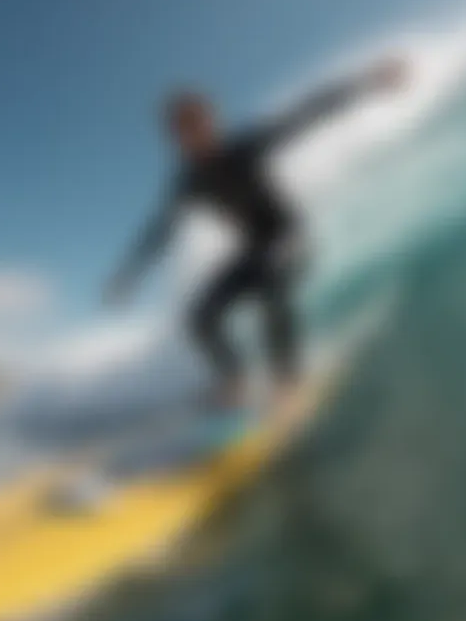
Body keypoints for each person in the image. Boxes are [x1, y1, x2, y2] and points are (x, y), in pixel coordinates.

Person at [104, 57, 407, 408]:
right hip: (251, 252)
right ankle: (234, 380)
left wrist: (367, 82)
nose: (193, 134)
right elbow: (159, 231)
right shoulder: (189, 182)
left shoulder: (244, 148)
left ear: (212, 121)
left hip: (288, 239)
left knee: (271, 287)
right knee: (199, 318)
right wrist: (128, 275)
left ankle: (289, 378)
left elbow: (305, 115)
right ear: (175, 138)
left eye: (198, 122)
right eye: (182, 129)